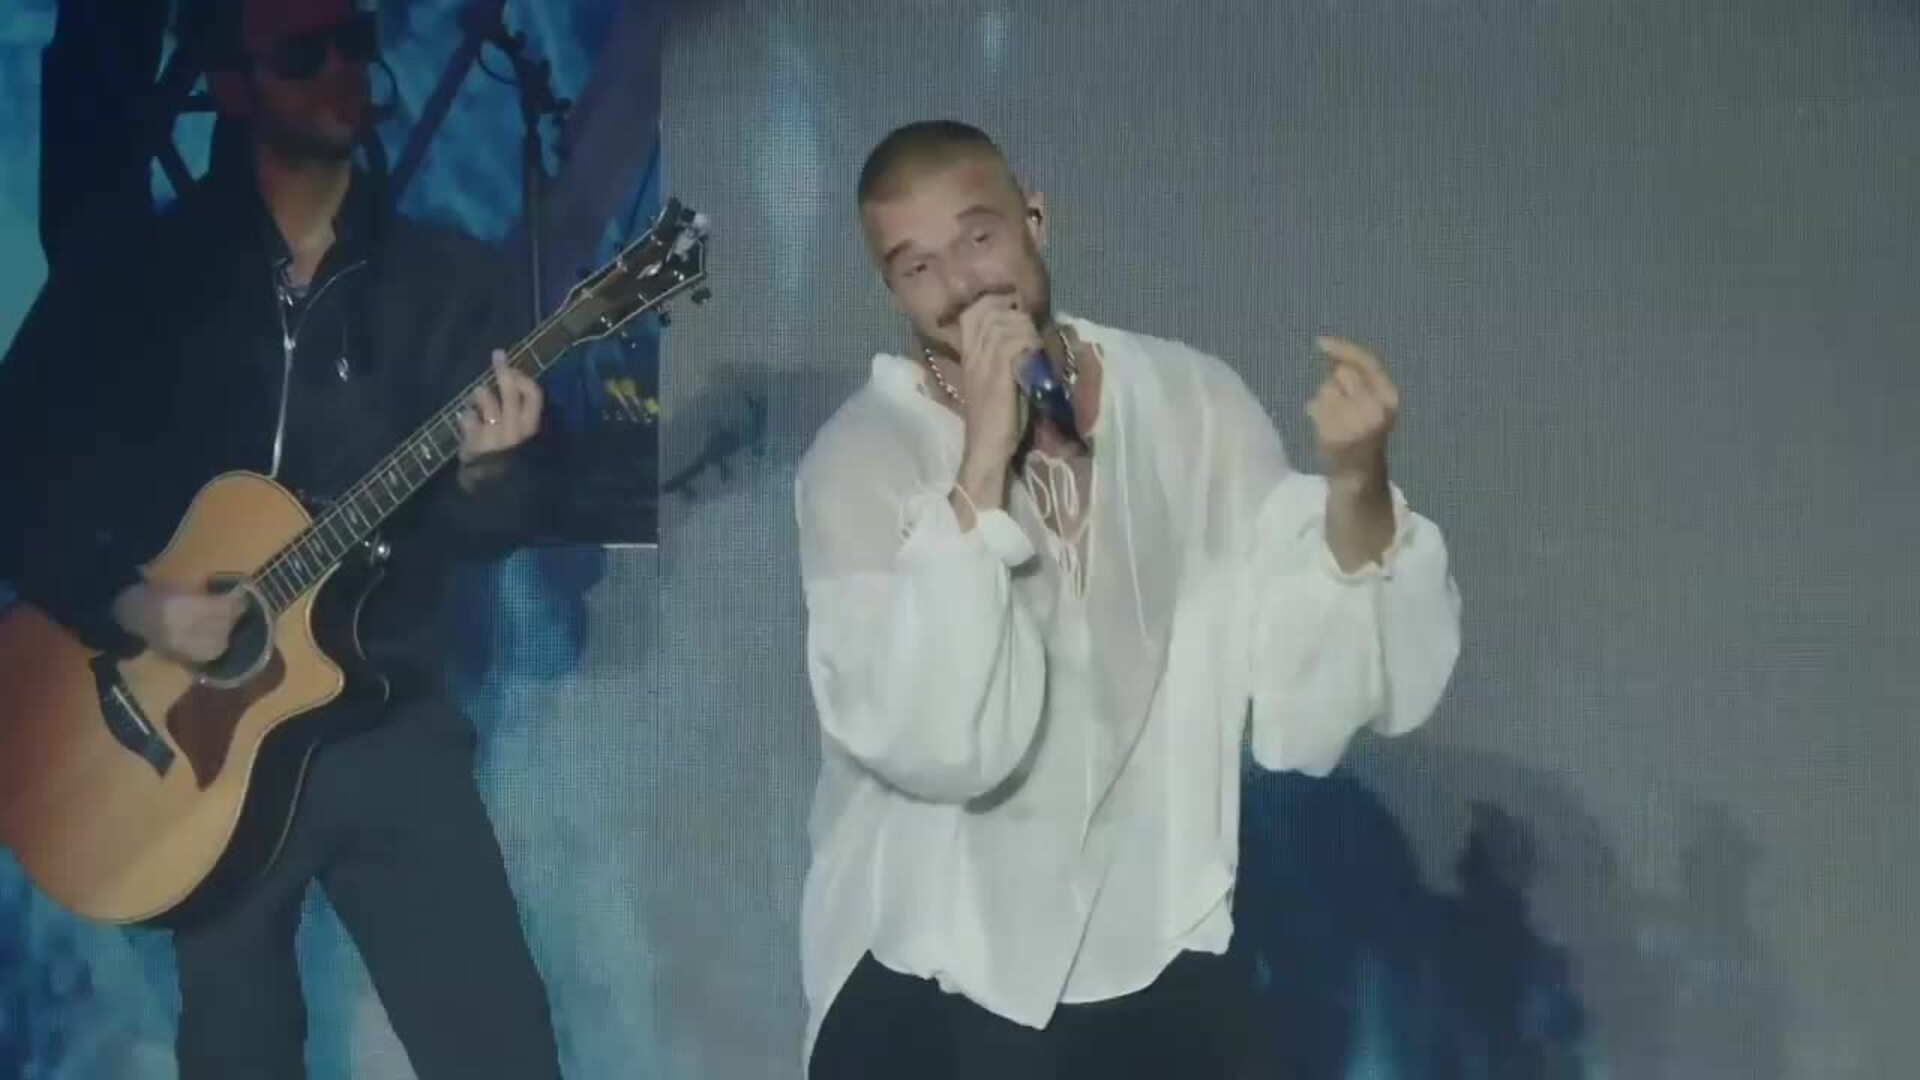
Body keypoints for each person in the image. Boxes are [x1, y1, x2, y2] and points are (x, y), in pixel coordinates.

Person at [794, 119, 1465, 1079]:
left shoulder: (1192, 401)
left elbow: (1303, 679)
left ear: (1034, 219)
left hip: (1157, 950)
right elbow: (933, 741)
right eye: (918, 267)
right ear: (891, 288)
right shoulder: (860, 462)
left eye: (979, 237)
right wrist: (982, 460)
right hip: (941, 967)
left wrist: (1358, 484)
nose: (963, 286)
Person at [0, 1, 562, 1076]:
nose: (340, 69)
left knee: (501, 1051)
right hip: (191, 752)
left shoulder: (446, 281)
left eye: (354, 40)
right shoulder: (137, 275)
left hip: (385, 723)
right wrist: (136, 605)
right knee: (238, 1054)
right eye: (303, 53)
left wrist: (491, 471)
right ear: (230, 82)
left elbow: (505, 515)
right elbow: (17, 475)